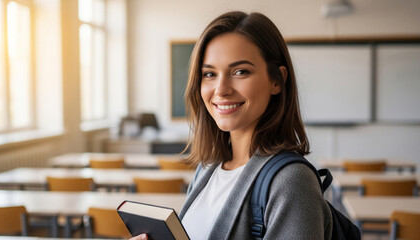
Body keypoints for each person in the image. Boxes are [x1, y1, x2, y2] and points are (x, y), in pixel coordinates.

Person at [130, 11, 332, 240]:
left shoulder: (292, 182)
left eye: (240, 72)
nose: (221, 89)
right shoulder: (208, 168)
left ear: (277, 80)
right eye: (209, 74)